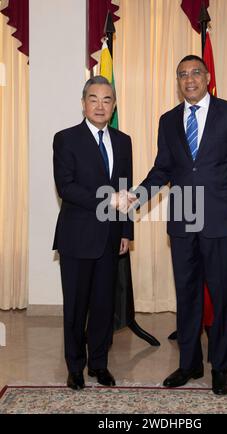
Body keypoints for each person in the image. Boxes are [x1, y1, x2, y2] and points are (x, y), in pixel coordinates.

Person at [117, 55, 227, 395]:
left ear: (207, 76)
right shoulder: (168, 120)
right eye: (182, 74)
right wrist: (137, 195)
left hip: (222, 219)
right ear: (177, 81)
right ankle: (190, 364)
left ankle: (221, 366)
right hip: (183, 219)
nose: (189, 79)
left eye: (195, 72)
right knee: (187, 294)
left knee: (222, 295)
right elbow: (163, 169)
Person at [52, 76, 133, 390]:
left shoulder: (123, 140)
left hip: (111, 237)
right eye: (94, 99)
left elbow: (125, 188)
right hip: (76, 237)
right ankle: (74, 367)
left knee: (103, 307)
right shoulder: (66, 139)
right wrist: (107, 199)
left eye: (107, 99)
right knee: (75, 307)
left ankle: (99, 364)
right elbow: (66, 188)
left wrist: (126, 231)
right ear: (84, 102)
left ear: (113, 106)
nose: (101, 105)